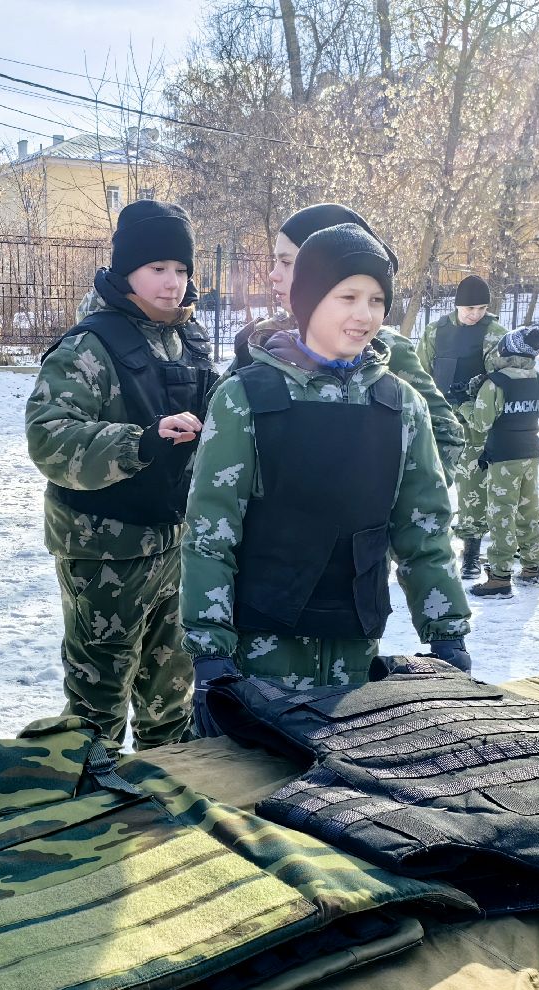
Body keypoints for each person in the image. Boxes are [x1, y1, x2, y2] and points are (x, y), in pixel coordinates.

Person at [182, 223, 472, 724]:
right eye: (348, 296)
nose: (365, 315)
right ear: (309, 299)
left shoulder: (402, 405)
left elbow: (424, 531)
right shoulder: (246, 398)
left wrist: (447, 635)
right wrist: (210, 655)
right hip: (257, 662)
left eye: (377, 300)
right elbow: (211, 532)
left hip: (353, 658)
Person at [25, 199, 215, 749]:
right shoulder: (89, 346)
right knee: (96, 707)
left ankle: (168, 814)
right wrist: (141, 442)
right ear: (125, 270)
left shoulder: (192, 340)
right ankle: (89, 817)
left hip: (175, 546)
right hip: (104, 551)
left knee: (172, 699)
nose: (172, 283)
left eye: (181, 270)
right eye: (158, 268)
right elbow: (49, 438)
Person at [233, 203, 465, 475]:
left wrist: (393, 498)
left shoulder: (381, 349)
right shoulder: (260, 341)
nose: (273, 274)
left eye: (286, 262)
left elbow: (446, 436)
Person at [418, 275, 509, 579]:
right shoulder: (436, 331)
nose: (476, 314)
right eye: (470, 308)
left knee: (472, 487)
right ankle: (423, 547)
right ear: (457, 305)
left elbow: (502, 378)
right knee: (428, 482)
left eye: (482, 308)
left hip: (474, 421)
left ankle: (470, 550)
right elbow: (419, 372)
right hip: (439, 419)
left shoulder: (494, 333)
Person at [466, 328, 539, 599]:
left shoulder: (496, 382)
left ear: (505, 349)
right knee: (528, 511)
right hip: (531, 452)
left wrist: (465, 404)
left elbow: (481, 422)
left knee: (501, 514)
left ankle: (499, 576)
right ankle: (532, 567)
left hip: (504, 456)